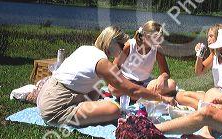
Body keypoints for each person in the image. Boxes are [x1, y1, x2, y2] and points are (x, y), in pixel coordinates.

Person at [37, 26, 176, 127]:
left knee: (96, 90)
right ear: (112, 44)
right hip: (56, 107)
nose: (123, 49)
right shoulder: (102, 63)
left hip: (48, 94)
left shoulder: (85, 48)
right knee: (114, 110)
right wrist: (162, 98)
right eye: (121, 45)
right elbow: (133, 90)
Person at [176, 24, 222, 110]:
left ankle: (206, 108)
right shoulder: (214, 55)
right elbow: (199, 72)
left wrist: (220, 96)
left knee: (210, 94)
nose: (208, 39)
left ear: (219, 37)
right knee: (180, 95)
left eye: (211, 36)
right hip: (215, 94)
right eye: (208, 37)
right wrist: (199, 55)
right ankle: (206, 108)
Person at [109, 21, 177, 99]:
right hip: (126, 82)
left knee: (171, 84)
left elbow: (165, 72)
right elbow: (115, 66)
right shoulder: (130, 45)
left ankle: (137, 96)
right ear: (145, 36)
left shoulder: (157, 49)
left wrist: (162, 77)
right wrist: (123, 82)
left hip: (144, 84)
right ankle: (146, 96)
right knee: (113, 89)